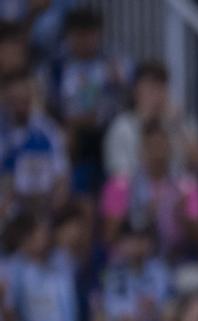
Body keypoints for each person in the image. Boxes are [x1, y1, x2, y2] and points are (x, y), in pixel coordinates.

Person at [43, 6, 128, 193]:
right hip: (73, 133)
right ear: (70, 36)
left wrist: (118, 83)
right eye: (80, 35)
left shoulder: (111, 62)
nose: (86, 41)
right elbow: (50, 105)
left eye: (90, 34)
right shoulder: (58, 66)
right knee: (62, 137)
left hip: (106, 131)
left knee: (122, 132)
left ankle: (116, 192)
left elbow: (125, 100)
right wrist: (68, 122)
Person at [99, 119, 198, 261]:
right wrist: (140, 210)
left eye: (161, 144)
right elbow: (109, 236)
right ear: (140, 150)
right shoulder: (120, 186)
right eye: (151, 145)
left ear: (170, 148)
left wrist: (180, 215)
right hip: (129, 261)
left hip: (175, 260)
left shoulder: (187, 187)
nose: (157, 151)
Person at [3, 210, 77, 321]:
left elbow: (69, 315)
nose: (46, 237)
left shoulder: (62, 263)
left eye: (46, 233)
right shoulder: (15, 270)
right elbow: (10, 316)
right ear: (26, 240)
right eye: (40, 233)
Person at [103, 59, 198, 179]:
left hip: (180, 194)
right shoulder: (121, 127)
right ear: (136, 91)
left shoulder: (180, 121)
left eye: (162, 87)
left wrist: (178, 126)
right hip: (137, 195)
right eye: (151, 87)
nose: (157, 94)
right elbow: (119, 176)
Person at [91, 220, 172, 321]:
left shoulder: (163, 273)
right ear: (121, 242)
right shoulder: (107, 274)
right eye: (131, 238)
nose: (137, 244)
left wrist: (153, 315)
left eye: (142, 238)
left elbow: (172, 317)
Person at [0, 67, 68, 214]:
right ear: (5, 97)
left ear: (31, 96)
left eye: (23, 99)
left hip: (42, 204)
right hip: (8, 206)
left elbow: (61, 175)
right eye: (14, 100)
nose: (19, 105)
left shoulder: (48, 129)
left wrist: (54, 205)